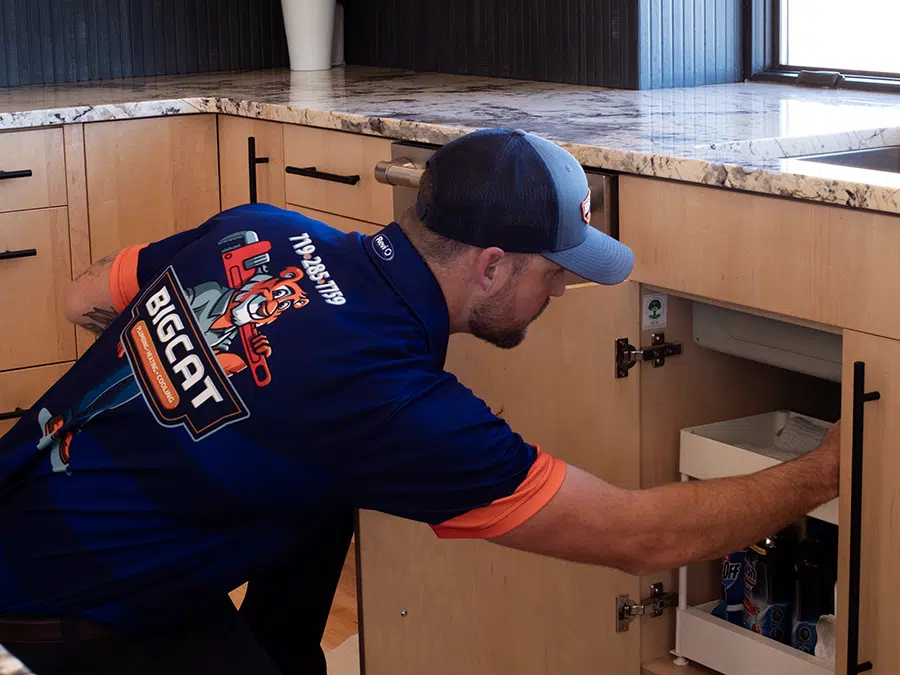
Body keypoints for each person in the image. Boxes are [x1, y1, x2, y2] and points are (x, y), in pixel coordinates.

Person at [0, 128, 840, 674]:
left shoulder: (259, 229)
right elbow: (639, 536)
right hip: (65, 603)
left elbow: (82, 297)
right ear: (492, 264)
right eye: (555, 273)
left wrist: (185, 379)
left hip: (21, 503)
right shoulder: (393, 402)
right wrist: (835, 466)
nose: (558, 296)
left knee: (317, 485)